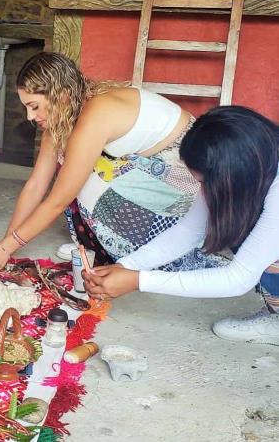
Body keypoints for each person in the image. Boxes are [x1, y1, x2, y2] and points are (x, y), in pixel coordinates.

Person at [0, 52, 226, 273]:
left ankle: (166, 253)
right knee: (77, 168)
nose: (30, 116)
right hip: (151, 171)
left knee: (86, 184)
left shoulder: (95, 114)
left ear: (61, 96)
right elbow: (37, 184)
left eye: (34, 106)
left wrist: (6, 248)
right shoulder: (64, 111)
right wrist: (5, 244)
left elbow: (58, 200)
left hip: (191, 181)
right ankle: (106, 243)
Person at [84, 106, 279, 345]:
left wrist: (138, 281)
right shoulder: (256, 167)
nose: (204, 190)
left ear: (233, 173)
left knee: (264, 251)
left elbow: (237, 279)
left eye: (206, 181)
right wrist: (125, 266)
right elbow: (187, 232)